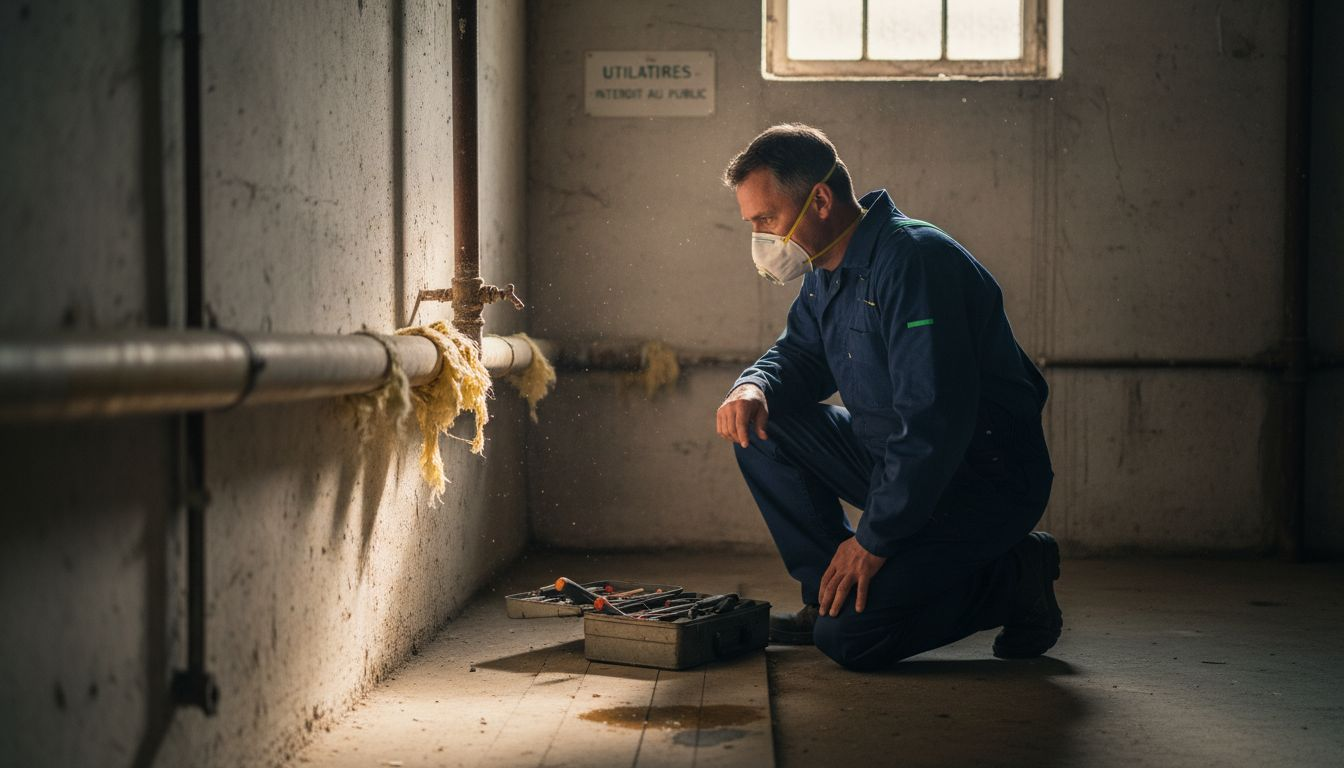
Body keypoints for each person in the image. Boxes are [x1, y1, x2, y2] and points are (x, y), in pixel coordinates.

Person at [714, 124, 1060, 670]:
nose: (760, 237)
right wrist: (753, 385)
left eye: (766, 219)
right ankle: (824, 590)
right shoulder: (827, 265)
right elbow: (800, 354)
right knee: (761, 424)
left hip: (977, 482)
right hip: (897, 461)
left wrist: (872, 541)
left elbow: (933, 421)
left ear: (820, 199)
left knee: (851, 638)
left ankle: (1017, 575)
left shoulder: (913, 262)